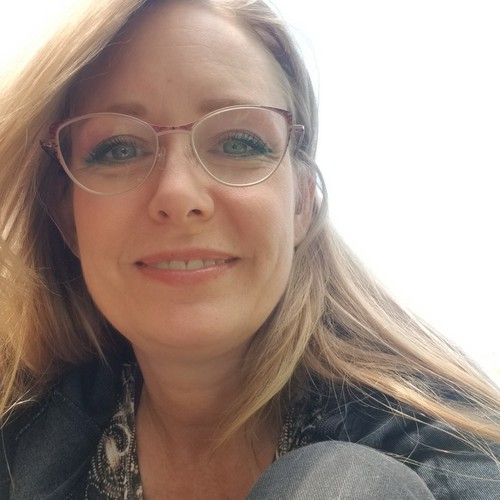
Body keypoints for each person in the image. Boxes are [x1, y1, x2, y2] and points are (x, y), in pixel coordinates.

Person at [0, 0, 499, 498]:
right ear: (67, 216)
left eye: (237, 143)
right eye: (119, 148)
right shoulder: (19, 438)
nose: (178, 195)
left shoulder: (452, 467)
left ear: (301, 202)